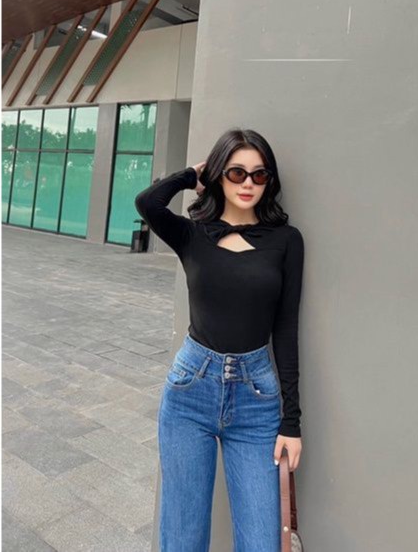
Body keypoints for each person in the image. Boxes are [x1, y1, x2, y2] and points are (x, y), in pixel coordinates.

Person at [134, 127, 305, 552]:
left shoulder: (286, 241)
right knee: (183, 536)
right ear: (218, 176)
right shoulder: (193, 234)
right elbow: (148, 202)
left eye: (259, 174)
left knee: (261, 542)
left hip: (256, 398)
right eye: (236, 172)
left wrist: (292, 422)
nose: (248, 183)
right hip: (190, 390)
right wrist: (191, 176)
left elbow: (286, 329)